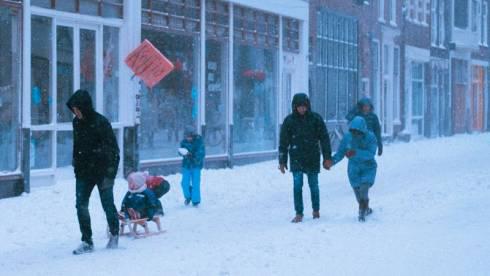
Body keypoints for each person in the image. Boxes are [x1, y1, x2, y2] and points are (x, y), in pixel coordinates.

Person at [67, 89, 120, 255]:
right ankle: (87, 240)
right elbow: (77, 147)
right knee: (81, 205)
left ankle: (114, 234)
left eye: (77, 108)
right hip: (84, 173)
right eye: (73, 109)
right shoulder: (76, 123)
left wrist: (110, 172)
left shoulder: (101, 122)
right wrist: (77, 165)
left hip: (103, 172)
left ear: (84, 107)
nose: (75, 112)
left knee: (107, 204)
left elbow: (113, 150)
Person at [279, 93, 332, 223]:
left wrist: (327, 157)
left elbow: (324, 139)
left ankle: (316, 211)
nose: (302, 109)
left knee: (313, 185)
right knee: (297, 186)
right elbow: (284, 142)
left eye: (304, 106)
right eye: (299, 107)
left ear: (308, 106)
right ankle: (299, 213)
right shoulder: (289, 121)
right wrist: (282, 160)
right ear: (294, 107)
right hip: (296, 158)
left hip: (312, 157)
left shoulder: (315, 119)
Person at [331, 116, 378, 222]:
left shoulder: (371, 137)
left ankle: (361, 211)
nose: (356, 134)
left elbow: (371, 153)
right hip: (354, 169)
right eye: (353, 131)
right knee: (357, 192)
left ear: (362, 130)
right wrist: (331, 162)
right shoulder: (348, 137)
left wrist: (355, 153)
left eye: (358, 132)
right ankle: (365, 208)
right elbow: (340, 152)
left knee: (364, 188)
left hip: (368, 167)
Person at [178, 126, 205, 207]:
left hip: (196, 166)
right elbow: (181, 150)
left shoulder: (199, 142)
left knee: (196, 183)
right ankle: (188, 196)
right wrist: (182, 152)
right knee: (184, 183)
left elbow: (201, 154)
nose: (188, 138)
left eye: (189, 136)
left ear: (193, 136)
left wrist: (192, 156)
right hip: (186, 165)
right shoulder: (184, 142)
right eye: (186, 136)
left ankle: (195, 200)